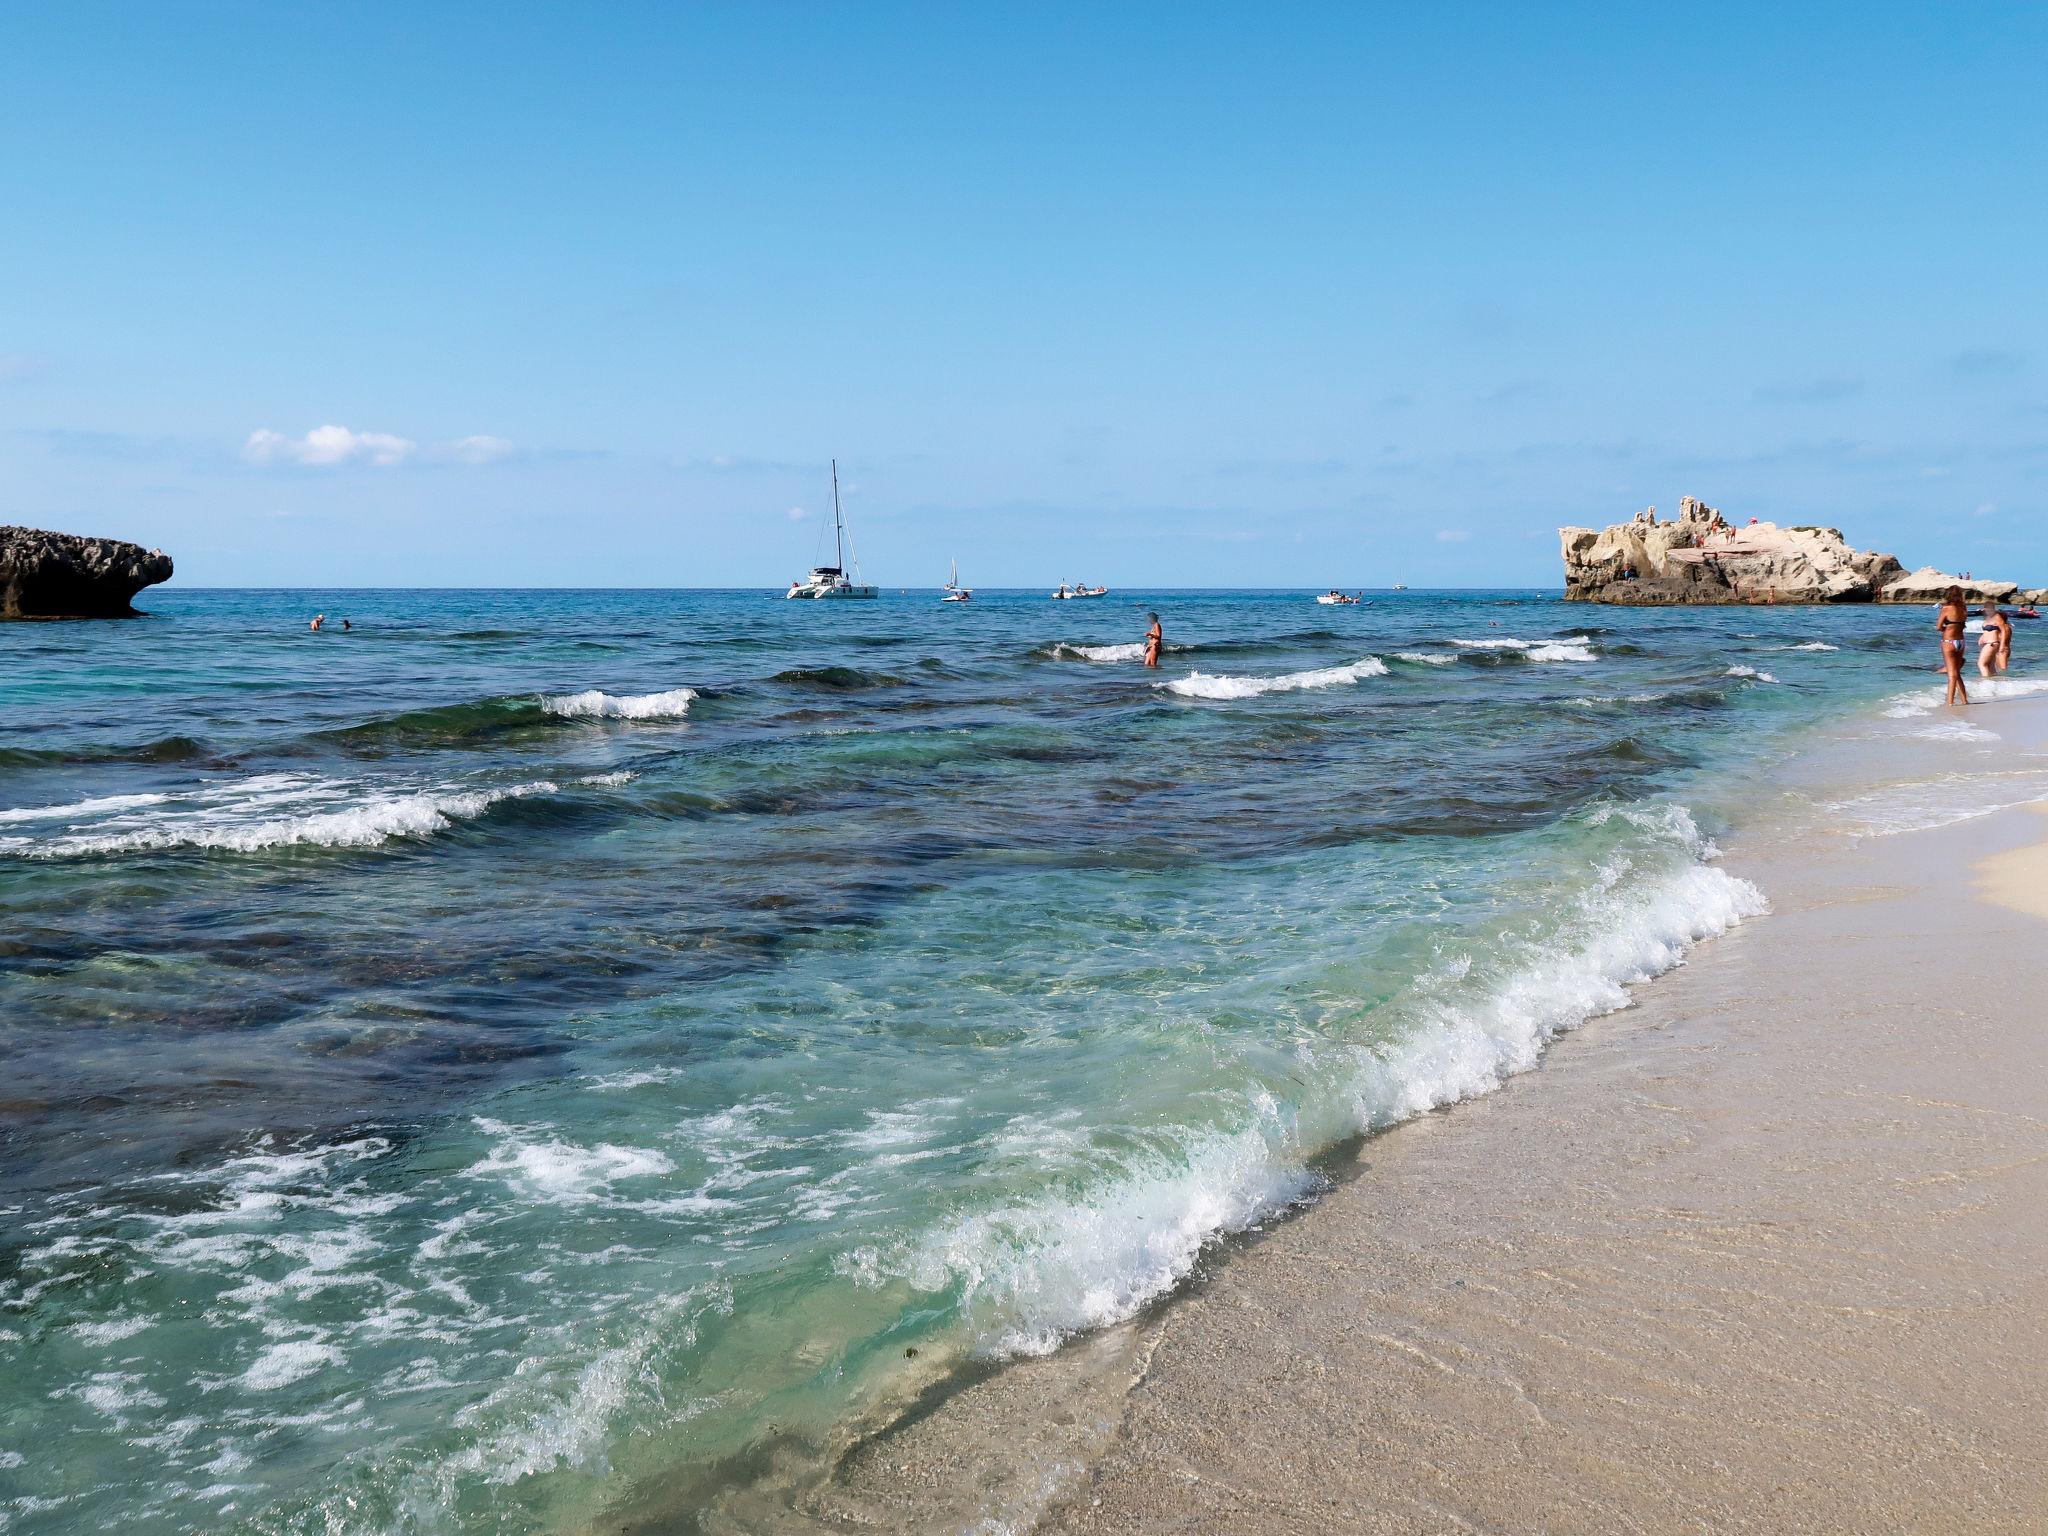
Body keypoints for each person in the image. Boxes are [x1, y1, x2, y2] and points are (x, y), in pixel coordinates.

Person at [1937, 585, 1969, 705]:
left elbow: (1939, 627)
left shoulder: (1946, 608)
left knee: (1951, 675)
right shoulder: (1964, 608)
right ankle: (1964, 700)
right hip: (1961, 642)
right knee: (1956, 673)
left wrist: (1946, 628)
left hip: (1948, 642)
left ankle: (1950, 702)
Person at [1980, 601, 2012, 677]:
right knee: (1992, 666)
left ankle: (2005, 683)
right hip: (1996, 648)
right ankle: (1995, 682)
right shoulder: (1991, 620)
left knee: (2002, 669)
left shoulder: (2006, 627)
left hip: (2002, 649)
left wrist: (2001, 646)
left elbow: (2005, 637)